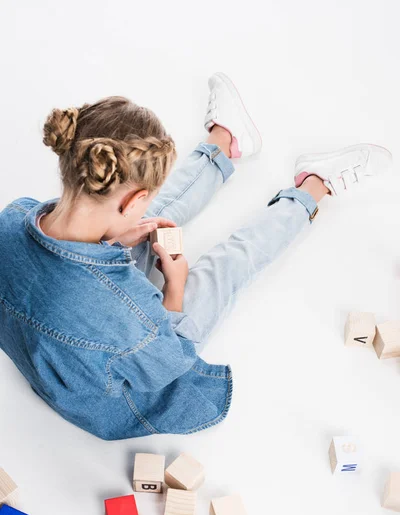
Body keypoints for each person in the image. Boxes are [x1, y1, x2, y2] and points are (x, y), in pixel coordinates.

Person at [0, 73, 391, 440]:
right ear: (133, 198)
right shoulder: (130, 313)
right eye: (143, 200)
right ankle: (314, 186)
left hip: (59, 362)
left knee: (154, 223)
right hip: (105, 401)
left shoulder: (13, 216)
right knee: (228, 265)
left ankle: (225, 142)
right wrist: (176, 283)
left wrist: (118, 240)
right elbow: (168, 360)